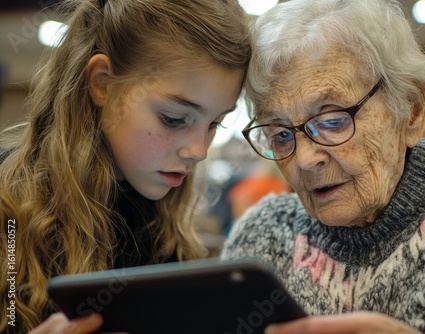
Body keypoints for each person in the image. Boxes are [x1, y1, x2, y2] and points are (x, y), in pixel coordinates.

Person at [221, 0, 425, 333]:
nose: (305, 159)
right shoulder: (262, 239)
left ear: (411, 110)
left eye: (333, 121)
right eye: (281, 134)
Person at [0, 0, 251, 332]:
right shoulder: (8, 216)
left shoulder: (167, 239)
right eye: (174, 119)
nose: (199, 150)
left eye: (215, 122)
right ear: (102, 83)